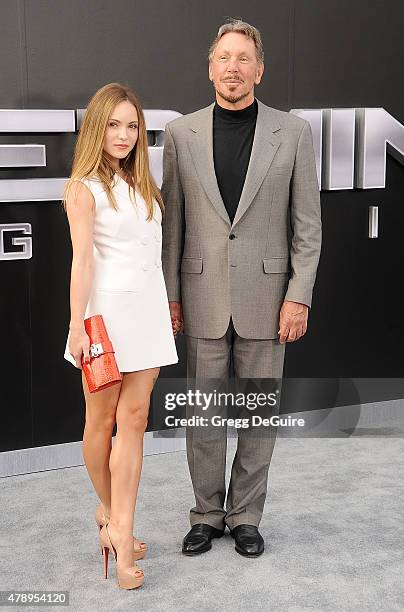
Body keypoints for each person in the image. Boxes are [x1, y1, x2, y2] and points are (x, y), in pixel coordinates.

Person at [161, 19, 321, 557]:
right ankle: (206, 514)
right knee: (203, 415)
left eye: (243, 58)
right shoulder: (180, 135)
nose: (233, 67)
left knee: (257, 415)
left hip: (269, 300)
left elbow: (307, 226)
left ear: (260, 69)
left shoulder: (293, 132)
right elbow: (173, 227)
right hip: (201, 298)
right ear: (211, 69)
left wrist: (298, 295)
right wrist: (171, 296)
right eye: (224, 57)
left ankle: (246, 516)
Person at [63, 83, 178, 589]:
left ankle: (123, 526)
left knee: (136, 419)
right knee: (100, 420)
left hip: (147, 313)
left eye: (132, 126)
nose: (124, 135)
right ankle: (110, 516)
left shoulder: (144, 186)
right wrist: (75, 326)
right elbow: (82, 259)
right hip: (103, 319)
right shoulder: (82, 187)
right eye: (113, 124)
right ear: (96, 127)